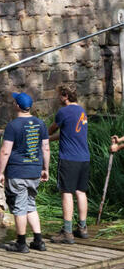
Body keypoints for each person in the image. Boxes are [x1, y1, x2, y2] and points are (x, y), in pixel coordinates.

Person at [0, 92, 50, 253]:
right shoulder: (40, 124)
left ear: (17, 106)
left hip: (17, 171)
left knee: (19, 208)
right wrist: (45, 169)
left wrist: (0, 172)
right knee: (30, 205)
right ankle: (38, 241)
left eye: (14, 102)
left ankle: (21, 243)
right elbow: (45, 148)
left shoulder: (13, 126)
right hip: (34, 171)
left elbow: (5, 151)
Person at [49, 84, 90, 244]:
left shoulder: (63, 112)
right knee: (81, 192)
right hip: (84, 158)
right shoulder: (81, 111)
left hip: (69, 159)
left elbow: (53, 129)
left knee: (66, 192)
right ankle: (83, 227)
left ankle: (67, 232)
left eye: (59, 95)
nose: (58, 98)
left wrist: (44, 136)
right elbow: (68, 134)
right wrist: (50, 140)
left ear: (65, 96)